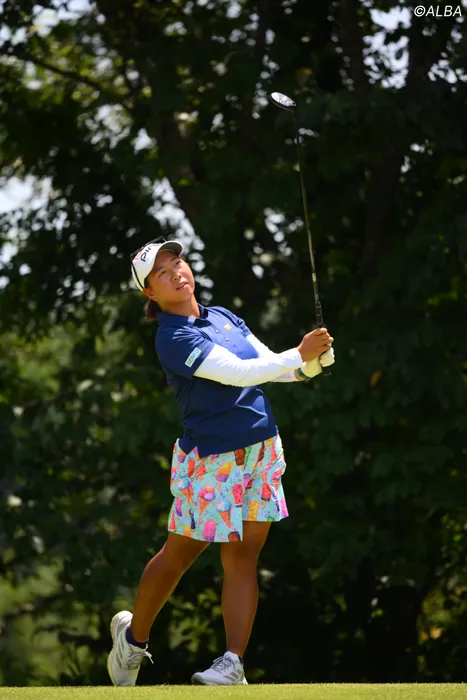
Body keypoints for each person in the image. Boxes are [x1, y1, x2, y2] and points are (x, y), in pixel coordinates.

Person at [107, 236, 335, 687]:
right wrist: (300, 354)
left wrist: (309, 366)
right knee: (180, 554)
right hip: (212, 461)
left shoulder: (224, 317)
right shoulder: (172, 338)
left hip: (261, 451)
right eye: (161, 272)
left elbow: (271, 365)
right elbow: (238, 374)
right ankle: (132, 641)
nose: (176, 272)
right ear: (150, 292)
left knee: (244, 555)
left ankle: (233, 664)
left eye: (177, 262)